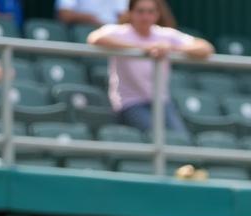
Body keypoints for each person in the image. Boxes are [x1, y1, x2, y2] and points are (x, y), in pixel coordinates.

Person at [88, 0, 212, 137]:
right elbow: (94, 38)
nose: (145, 17)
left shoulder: (165, 35)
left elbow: (205, 48)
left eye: (150, 12)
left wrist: (171, 48)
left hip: (162, 102)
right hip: (130, 104)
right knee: (156, 138)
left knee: (181, 141)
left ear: (157, 14)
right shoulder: (120, 32)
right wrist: (143, 48)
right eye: (140, 11)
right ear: (131, 13)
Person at [55, 0, 127, 29]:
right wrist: (90, 19)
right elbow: (64, 14)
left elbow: (124, 16)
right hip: (81, 31)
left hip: (113, 33)